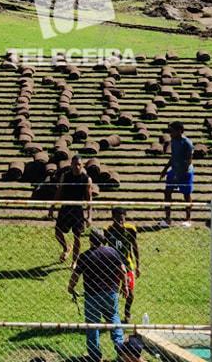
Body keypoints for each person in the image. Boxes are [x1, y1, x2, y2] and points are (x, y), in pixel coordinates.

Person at [68, 228, 126, 362]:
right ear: (103, 239)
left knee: (92, 325)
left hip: (92, 295)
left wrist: (70, 287)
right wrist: (125, 286)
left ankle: (94, 356)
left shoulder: (84, 256)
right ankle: (121, 348)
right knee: (113, 317)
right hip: (110, 293)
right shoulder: (112, 252)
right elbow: (123, 270)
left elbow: (75, 276)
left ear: (90, 240)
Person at [50, 155, 92, 264]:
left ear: (82, 165)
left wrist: (89, 216)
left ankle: (75, 261)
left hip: (78, 210)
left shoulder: (86, 179)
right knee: (57, 232)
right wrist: (52, 207)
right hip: (66, 208)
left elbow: (89, 199)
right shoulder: (65, 176)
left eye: (79, 164)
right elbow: (59, 192)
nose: (77, 167)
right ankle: (66, 248)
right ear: (71, 165)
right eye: (75, 164)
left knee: (77, 237)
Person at [106, 207, 140, 323]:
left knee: (130, 293)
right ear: (113, 218)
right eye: (118, 219)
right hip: (112, 266)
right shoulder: (108, 231)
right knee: (111, 292)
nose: (121, 222)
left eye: (122, 219)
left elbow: (135, 247)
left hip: (127, 264)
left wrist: (138, 266)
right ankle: (111, 314)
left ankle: (127, 312)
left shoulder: (130, 230)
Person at [159, 121, 194, 227]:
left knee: (186, 195)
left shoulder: (187, 143)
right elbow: (173, 157)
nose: (170, 133)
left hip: (186, 172)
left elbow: (188, 162)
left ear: (180, 131)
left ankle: (188, 219)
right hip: (174, 170)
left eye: (172, 131)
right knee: (167, 192)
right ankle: (168, 219)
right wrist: (165, 170)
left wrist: (179, 175)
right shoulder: (173, 141)